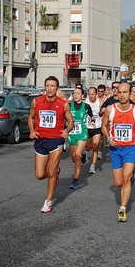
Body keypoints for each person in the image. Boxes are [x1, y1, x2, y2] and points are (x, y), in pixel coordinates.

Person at [101, 81, 135, 222]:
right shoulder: (110, 109)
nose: (121, 95)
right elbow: (103, 126)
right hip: (115, 148)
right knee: (118, 183)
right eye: (119, 92)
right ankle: (131, 176)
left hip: (131, 147)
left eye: (124, 92)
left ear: (130, 93)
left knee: (125, 178)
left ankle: (122, 209)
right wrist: (108, 138)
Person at [29, 76, 74, 213]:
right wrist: (31, 130)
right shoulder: (36, 102)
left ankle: (48, 202)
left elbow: (71, 121)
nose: (49, 88)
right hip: (41, 140)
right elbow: (30, 117)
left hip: (56, 140)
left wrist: (67, 130)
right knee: (39, 174)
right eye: (47, 85)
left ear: (57, 88)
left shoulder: (63, 104)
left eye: (52, 86)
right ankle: (55, 174)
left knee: (51, 171)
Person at [68, 87, 94, 189]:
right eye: (74, 93)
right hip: (71, 134)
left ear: (82, 95)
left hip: (82, 133)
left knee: (77, 156)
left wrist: (92, 121)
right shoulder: (69, 105)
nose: (75, 95)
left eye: (78, 93)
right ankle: (83, 154)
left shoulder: (86, 106)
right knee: (74, 158)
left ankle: (75, 180)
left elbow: (91, 115)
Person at [85, 86, 102, 174]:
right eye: (90, 94)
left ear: (96, 94)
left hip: (97, 127)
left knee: (95, 145)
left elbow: (104, 112)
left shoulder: (100, 102)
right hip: (87, 128)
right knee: (88, 147)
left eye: (93, 94)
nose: (91, 96)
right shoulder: (85, 102)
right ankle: (85, 152)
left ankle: (92, 165)